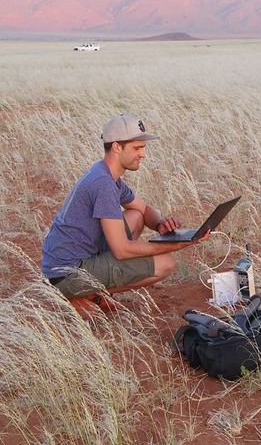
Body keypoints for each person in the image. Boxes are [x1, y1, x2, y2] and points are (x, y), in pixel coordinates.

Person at [41, 113, 208, 310]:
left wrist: (160, 224)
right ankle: (87, 296)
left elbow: (143, 209)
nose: (143, 154)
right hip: (67, 274)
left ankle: (94, 290)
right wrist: (179, 244)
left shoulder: (106, 175)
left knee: (135, 216)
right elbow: (122, 250)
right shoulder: (103, 184)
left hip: (71, 261)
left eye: (143, 148)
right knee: (166, 263)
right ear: (117, 147)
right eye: (137, 148)